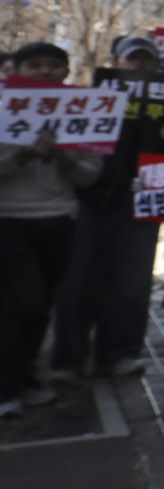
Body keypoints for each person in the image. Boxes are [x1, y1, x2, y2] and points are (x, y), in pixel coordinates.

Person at [51, 35, 164, 378]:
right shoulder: (93, 100)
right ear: (116, 63)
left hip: (142, 207)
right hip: (91, 201)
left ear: (156, 65)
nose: (139, 65)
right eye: (132, 59)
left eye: (146, 59)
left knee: (132, 283)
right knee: (78, 281)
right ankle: (67, 360)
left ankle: (119, 354)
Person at [0, 43, 102, 417]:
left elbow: (91, 176)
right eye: (35, 65)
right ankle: (6, 388)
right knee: (23, 303)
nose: (45, 71)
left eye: (53, 65)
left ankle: (25, 378)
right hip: (8, 221)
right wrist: (23, 155)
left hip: (60, 220)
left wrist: (62, 157)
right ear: (16, 70)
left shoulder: (85, 110)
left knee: (41, 306)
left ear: (66, 72)